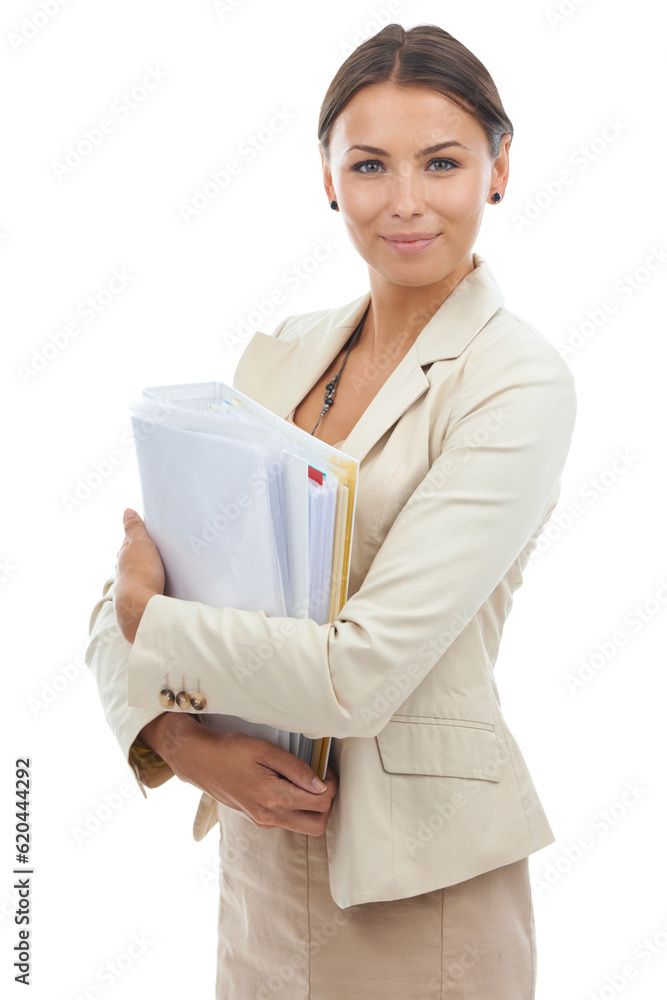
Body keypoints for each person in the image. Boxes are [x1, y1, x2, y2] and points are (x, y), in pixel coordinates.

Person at [86, 22, 577, 1000]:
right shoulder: (278, 355)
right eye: (368, 165)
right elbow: (125, 592)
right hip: (262, 861)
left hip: (417, 889)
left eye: (441, 162)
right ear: (326, 177)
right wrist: (184, 746)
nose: (404, 202)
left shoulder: (516, 384)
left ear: (499, 167)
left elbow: (358, 673)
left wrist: (152, 622)